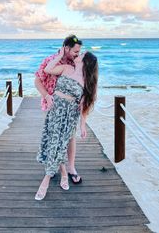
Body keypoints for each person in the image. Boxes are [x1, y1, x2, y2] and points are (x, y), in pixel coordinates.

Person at [35, 49, 98, 200]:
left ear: (85, 62)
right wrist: (60, 56)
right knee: (53, 143)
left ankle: (46, 180)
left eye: (81, 55)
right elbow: (47, 69)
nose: (78, 54)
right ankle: (63, 172)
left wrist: (82, 125)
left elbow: (85, 105)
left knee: (60, 145)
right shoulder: (66, 68)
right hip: (55, 111)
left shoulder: (86, 81)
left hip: (70, 116)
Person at [35, 35, 83, 184]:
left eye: (79, 51)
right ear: (66, 48)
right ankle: (53, 165)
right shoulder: (50, 60)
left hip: (71, 108)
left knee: (70, 137)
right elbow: (37, 80)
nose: (78, 54)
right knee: (53, 134)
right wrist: (46, 96)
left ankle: (71, 168)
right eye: (75, 51)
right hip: (54, 105)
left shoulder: (75, 63)